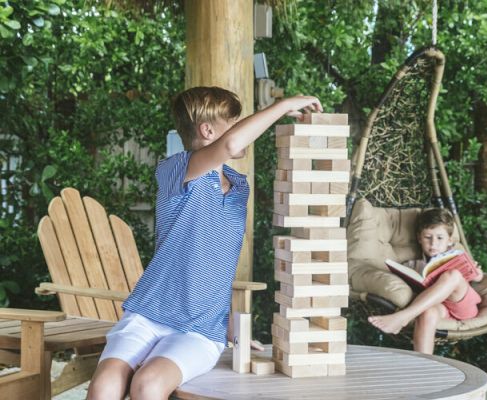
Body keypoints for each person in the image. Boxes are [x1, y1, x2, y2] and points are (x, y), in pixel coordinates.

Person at [87, 86, 322, 400]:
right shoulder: (175, 170)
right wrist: (284, 106)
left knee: (148, 384)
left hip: (199, 331)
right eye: (234, 121)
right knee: (106, 384)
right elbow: (232, 143)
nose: (241, 130)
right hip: (146, 315)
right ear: (208, 130)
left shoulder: (239, 187)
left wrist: (227, 325)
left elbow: (216, 262)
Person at [368, 208, 483, 354]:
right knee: (427, 312)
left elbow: (478, 276)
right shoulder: (415, 265)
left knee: (452, 275)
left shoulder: (458, 258)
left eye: (440, 238)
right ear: (419, 238)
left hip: (463, 306)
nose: (433, 243)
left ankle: (403, 317)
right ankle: (424, 364)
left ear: (450, 240)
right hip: (441, 308)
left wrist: (477, 274)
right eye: (428, 237)